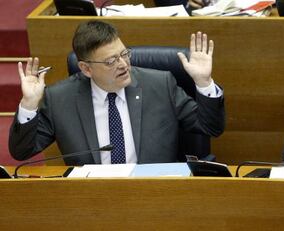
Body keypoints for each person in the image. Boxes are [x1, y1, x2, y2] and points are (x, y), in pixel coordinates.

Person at [9, 20, 225, 165]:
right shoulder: (60, 98)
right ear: (85, 69)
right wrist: (29, 105)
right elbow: (21, 152)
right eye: (111, 61)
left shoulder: (160, 85)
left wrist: (204, 82)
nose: (123, 65)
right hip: (91, 200)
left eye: (124, 54)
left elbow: (211, 127)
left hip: (155, 193)